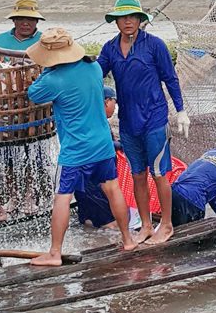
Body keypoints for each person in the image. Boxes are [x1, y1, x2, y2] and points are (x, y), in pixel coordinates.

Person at [26, 28, 136, 265]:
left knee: (62, 198)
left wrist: (46, 71)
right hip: (102, 145)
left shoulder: (54, 79)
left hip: (76, 151)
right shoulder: (94, 68)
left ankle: (54, 253)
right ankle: (128, 239)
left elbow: (33, 94)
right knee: (113, 189)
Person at [97, 0, 190, 245]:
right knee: (137, 174)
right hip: (128, 122)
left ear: (140, 20)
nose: (127, 22)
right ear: (116, 21)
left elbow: (170, 79)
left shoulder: (154, 45)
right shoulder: (109, 49)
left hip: (154, 118)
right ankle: (146, 224)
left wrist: (180, 110)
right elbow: (95, 76)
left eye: (132, 17)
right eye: (122, 18)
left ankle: (166, 224)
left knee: (160, 173)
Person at [0, 0, 46, 217]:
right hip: (7, 107)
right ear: (14, 21)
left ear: (37, 22)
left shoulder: (44, 40)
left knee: (34, 152)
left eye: (30, 19)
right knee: (8, 156)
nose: (26, 23)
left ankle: (31, 195)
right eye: (21, 19)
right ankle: (13, 196)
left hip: (35, 106)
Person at [74, 85, 124, 229]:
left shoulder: (87, 116)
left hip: (82, 181)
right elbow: (99, 143)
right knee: (110, 224)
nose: (115, 108)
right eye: (114, 103)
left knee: (89, 223)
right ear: (106, 101)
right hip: (93, 183)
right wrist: (120, 145)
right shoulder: (95, 118)